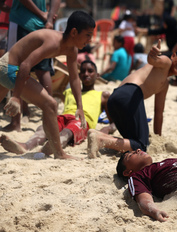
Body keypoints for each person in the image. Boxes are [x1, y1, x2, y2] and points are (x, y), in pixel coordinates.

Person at [0, 10, 95, 159]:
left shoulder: (72, 50)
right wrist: (17, 97)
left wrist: (80, 107)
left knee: (49, 104)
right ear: (74, 32)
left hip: (7, 65)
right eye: (88, 35)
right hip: (9, 68)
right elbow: (25, 65)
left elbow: (74, 78)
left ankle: (57, 151)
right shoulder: (53, 43)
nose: (90, 40)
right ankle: (59, 153)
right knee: (50, 104)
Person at [87, 40, 177, 158]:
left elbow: (158, 113)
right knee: (141, 146)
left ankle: (97, 135)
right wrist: (153, 54)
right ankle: (100, 139)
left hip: (115, 99)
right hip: (131, 94)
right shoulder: (166, 62)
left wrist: (157, 139)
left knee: (133, 141)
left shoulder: (165, 84)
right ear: (174, 55)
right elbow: (153, 60)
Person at [0, 60, 112, 155]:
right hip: (63, 117)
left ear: (97, 75)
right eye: (82, 71)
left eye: (90, 71)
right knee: (42, 128)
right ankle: (26, 146)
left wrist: (105, 129)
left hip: (82, 121)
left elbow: (113, 121)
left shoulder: (103, 95)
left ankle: (49, 147)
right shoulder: (68, 92)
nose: (86, 74)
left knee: (68, 132)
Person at [3, 0, 60, 132]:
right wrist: (49, 19)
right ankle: (50, 120)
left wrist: (42, 14)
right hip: (43, 26)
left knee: (13, 67)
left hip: (22, 21)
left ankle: (15, 122)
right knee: (43, 70)